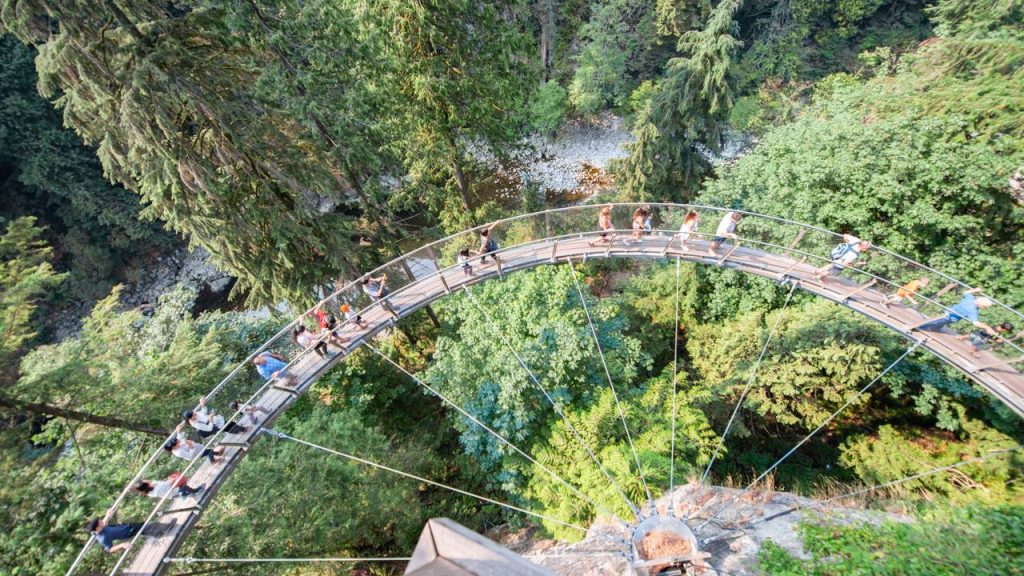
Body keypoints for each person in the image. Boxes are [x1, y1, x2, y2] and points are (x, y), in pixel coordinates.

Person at [915, 288, 997, 335]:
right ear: (981, 305)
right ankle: (919, 328)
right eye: (985, 307)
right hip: (951, 317)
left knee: (939, 323)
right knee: (936, 322)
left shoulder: (971, 298)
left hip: (949, 310)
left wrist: (975, 290)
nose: (985, 309)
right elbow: (976, 323)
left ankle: (927, 328)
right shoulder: (972, 310)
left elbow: (966, 292)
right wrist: (987, 327)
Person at [85, 514, 176, 554]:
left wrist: (108, 515)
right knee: (149, 525)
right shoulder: (102, 538)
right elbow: (109, 549)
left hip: (128, 526)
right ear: (97, 528)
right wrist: (122, 545)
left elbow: (103, 523)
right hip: (128, 532)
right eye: (99, 521)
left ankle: (159, 534)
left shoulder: (100, 528)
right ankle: (168, 527)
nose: (101, 520)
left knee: (145, 529)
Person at [183, 396, 248, 438]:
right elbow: (209, 429)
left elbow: (203, 412)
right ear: (190, 418)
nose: (196, 414)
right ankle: (242, 431)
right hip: (215, 425)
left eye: (194, 413)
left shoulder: (194, 413)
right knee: (229, 428)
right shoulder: (197, 424)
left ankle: (242, 430)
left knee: (231, 423)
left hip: (216, 419)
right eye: (194, 415)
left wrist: (202, 404)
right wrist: (210, 419)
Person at [133, 472, 203, 499]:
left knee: (175, 478)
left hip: (169, 490)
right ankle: (194, 492)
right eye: (145, 481)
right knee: (184, 486)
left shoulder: (149, 490)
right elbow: (168, 483)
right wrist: (171, 478)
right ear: (147, 485)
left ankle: (187, 493)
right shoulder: (157, 489)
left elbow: (161, 483)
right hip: (173, 492)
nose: (146, 479)